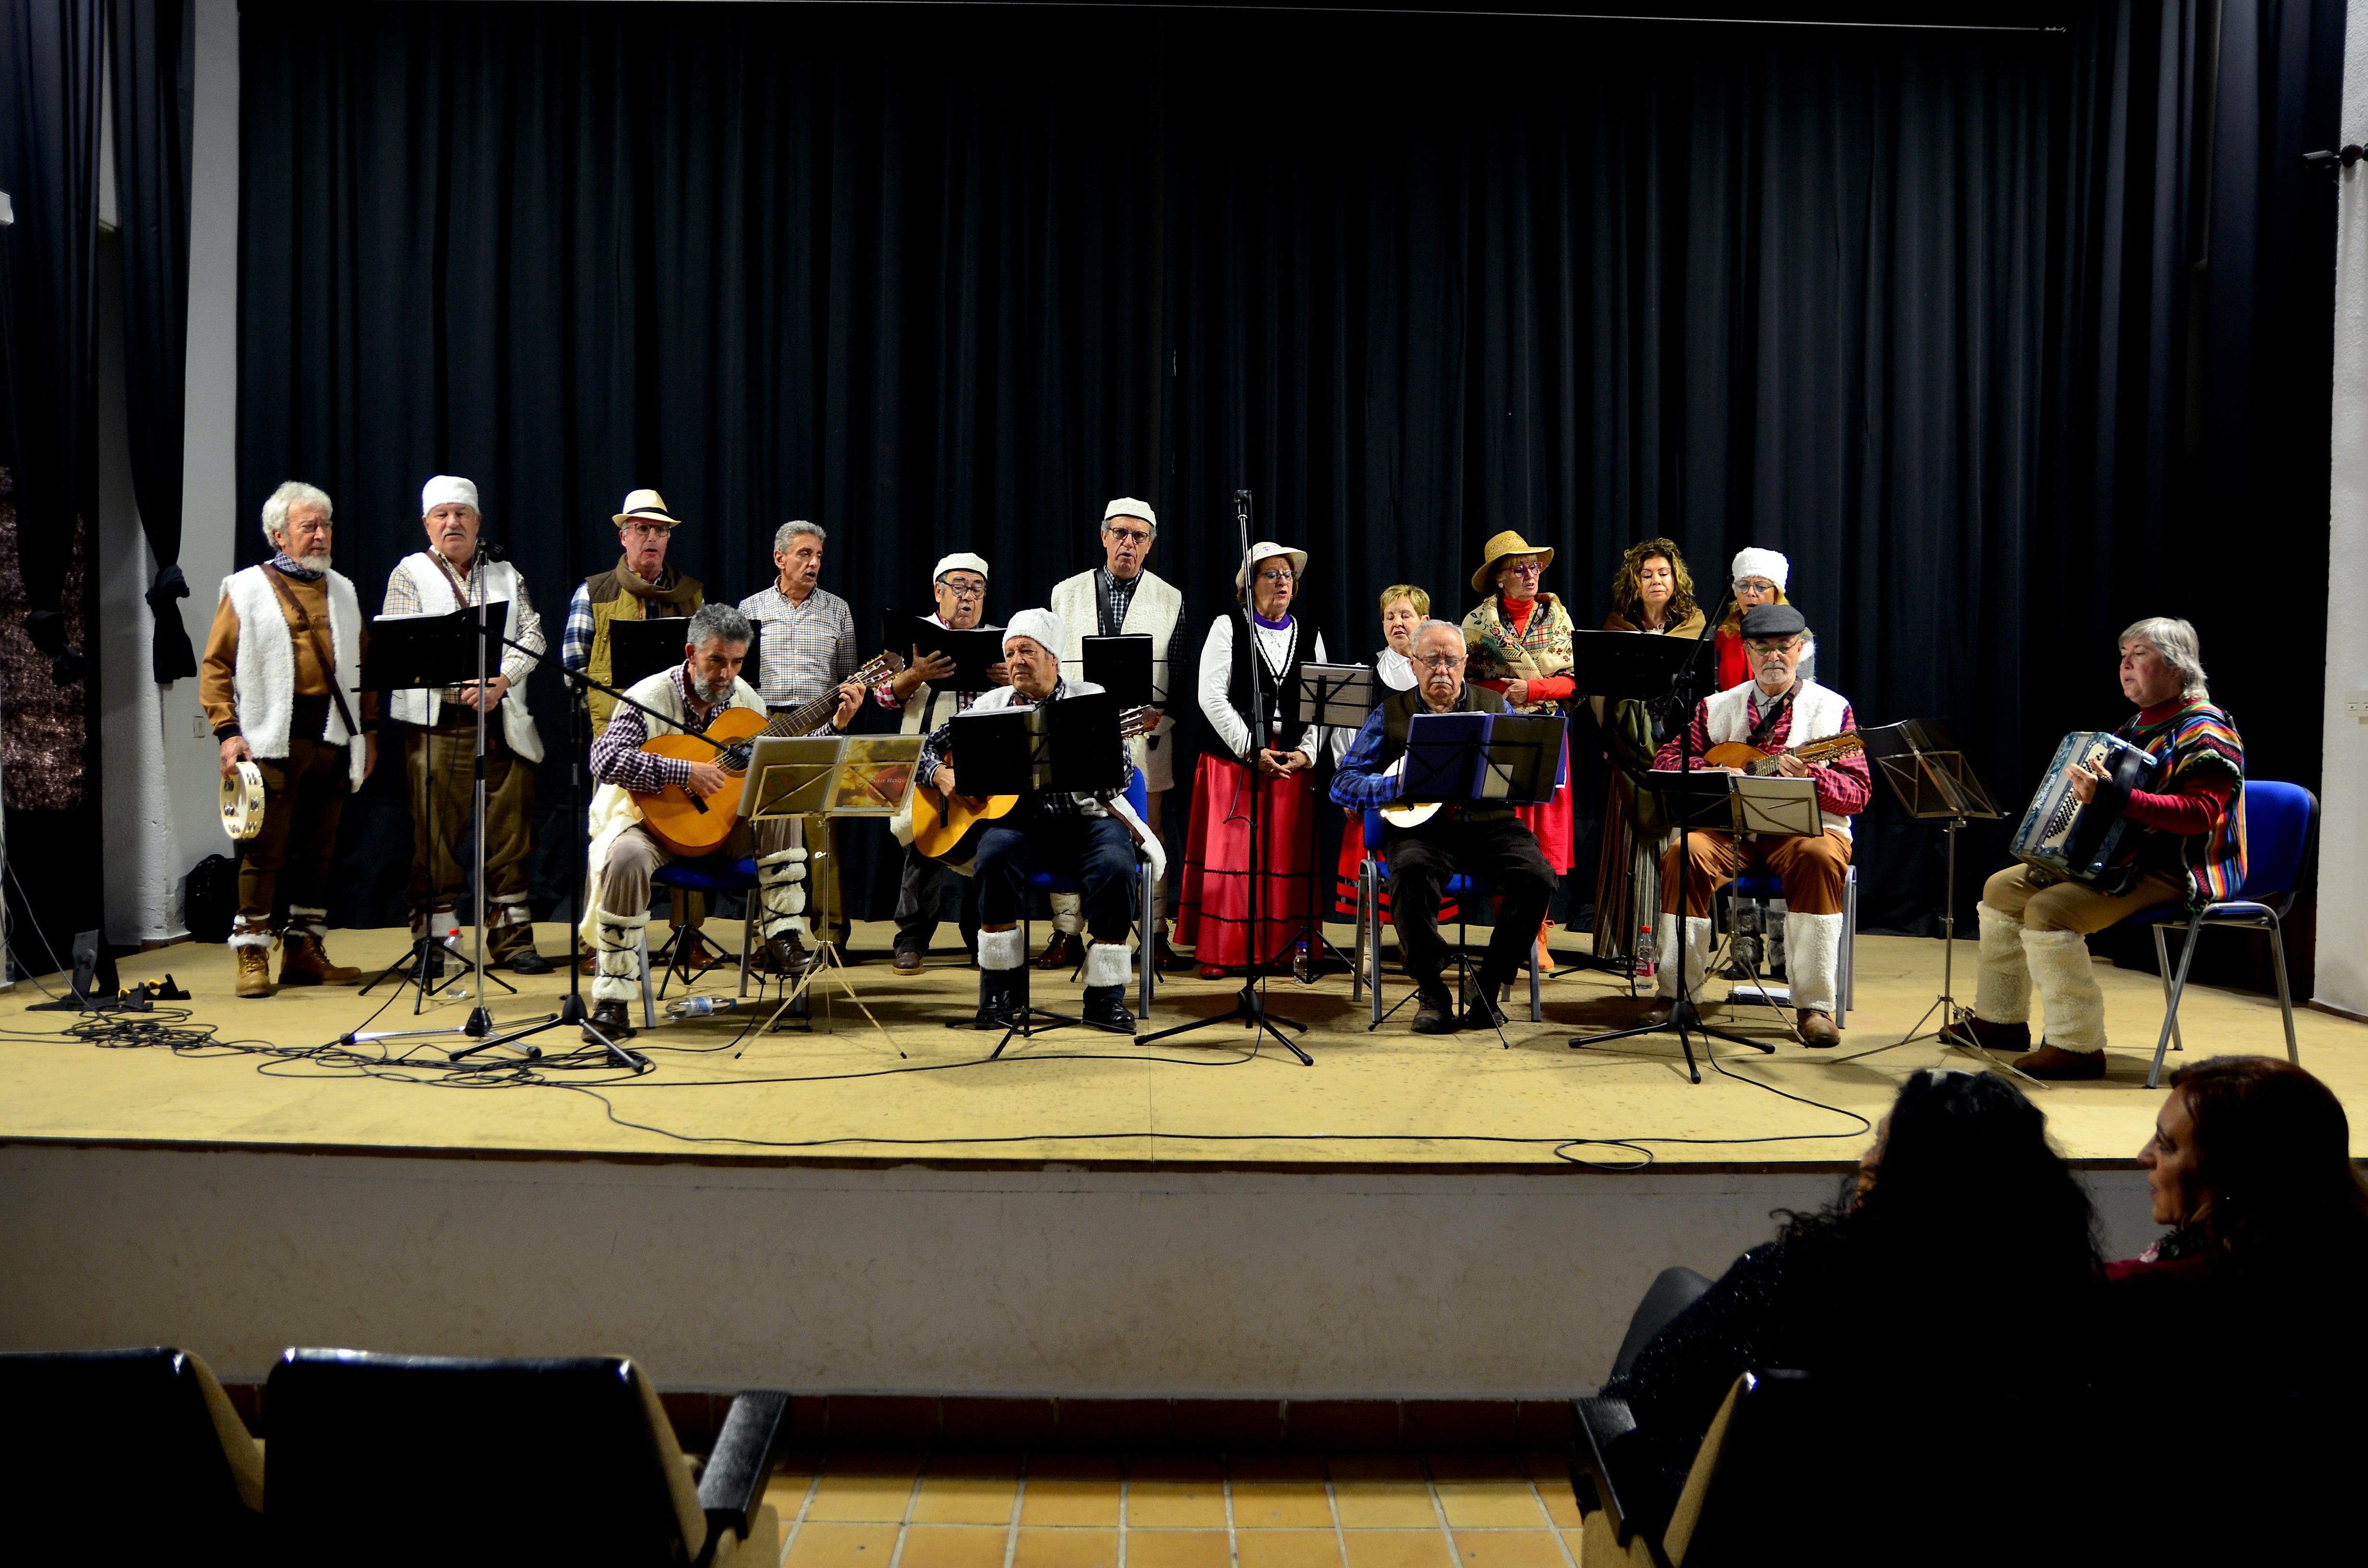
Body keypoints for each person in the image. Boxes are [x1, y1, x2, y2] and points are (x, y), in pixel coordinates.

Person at [1599, 1069, 2102, 1547]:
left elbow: (1652, 1393)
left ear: (1896, 1174)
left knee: (1649, 1349)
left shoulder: (1791, 1279)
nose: (1865, 1159)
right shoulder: (2066, 1315)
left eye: (1881, 1145)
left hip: (1758, 1533)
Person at [1941, 618, 2245, 1080]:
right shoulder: (2139, 724)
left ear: (2177, 665)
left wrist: (2114, 799)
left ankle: (2077, 1045)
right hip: (2125, 859)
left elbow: (2198, 815)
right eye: (2123, 655)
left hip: (2175, 871)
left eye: (2139, 654)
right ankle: (2000, 1020)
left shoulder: (2206, 733)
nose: (2125, 665)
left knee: (2049, 910)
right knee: (2001, 889)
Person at [578, 604, 863, 1039]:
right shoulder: (649, 696)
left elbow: (781, 762)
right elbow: (605, 760)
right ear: (691, 653)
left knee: (779, 801)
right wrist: (683, 772)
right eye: (716, 661)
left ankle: (783, 939)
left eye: (736, 662)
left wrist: (837, 725)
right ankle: (613, 998)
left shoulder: (746, 700)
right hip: (651, 826)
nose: (726, 674)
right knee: (624, 857)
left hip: (725, 830)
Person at [915, 610, 1160, 1035]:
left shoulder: (1090, 698)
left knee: (1118, 867)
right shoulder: (988, 706)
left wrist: (1094, 754)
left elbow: (1122, 778)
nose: (1016, 662)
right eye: (1010, 654)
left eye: (1027, 651)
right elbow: (924, 751)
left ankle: (1105, 996)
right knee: (993, 856)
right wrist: (942, 774)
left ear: (1054, 659)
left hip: (1085, 819)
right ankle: (1000, 990)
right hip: (1017, 823)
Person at [1648, 602, 1869, 1046]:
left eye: (1784, 647)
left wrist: (1811, 775)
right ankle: (1676, 992)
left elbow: (1858, 792)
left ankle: (1814, 1004)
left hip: (1805, 832)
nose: (1774, 657)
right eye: (1763, 647)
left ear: (1801, 649)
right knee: (1682, 852)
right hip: (1730, 833)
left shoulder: (1832, 710)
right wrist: (1716, 776)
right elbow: (1667, 761)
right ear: (1746, 650)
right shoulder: (1716, 707)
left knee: (1820, 855)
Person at [1330, 619, 1555, 1033]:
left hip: (1491, 826)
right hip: (1420, 830)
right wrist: (1396, 785)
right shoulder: (1391, 713)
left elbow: (1526, 774)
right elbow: (1343, 783)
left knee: (1538, 878)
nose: (1442, 670)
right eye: (1431, 660)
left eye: (1451, 661)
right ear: (1414, 665)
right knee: (1411, 872)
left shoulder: (1493, 706)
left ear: (1465, 663)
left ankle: (1486, 986)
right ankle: (1432, 988)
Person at [202, 481, 377, 997]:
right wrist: (227, 733)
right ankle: (252, 951)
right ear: (279, 535)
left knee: (320, 853)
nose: (321, 535)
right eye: (309, 527)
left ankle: (303, 951)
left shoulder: (342, 589)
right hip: (269, 740)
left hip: (334, 738)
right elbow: (215, 666)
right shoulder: (245, 588)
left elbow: (362, 667)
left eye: (325, 526)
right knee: (264, 851)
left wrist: (367, 734)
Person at [381, 475, 550, 972]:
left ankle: (512, 938)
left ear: (477, 522)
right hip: (439, 724)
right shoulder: (409, 574)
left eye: (461, 514)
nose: (452, 522)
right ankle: (438, 939)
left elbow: (533, 636)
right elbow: (400, 647)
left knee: (510, 832)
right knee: (434, 832)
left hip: (502, 720)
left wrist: (502, 681)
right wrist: (458, 690)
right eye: (442, 515)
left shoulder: (504, 571)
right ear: (427, 525)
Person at [1178, 540, 1331, 981]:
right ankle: (1225, 951)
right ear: (1248, 586)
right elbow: (1211, 696)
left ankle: (1288, 951)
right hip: (1235, 763)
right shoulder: (1228, 627)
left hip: (1292, 764)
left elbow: (1326, 703)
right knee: (1236, 858)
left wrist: (1307, 752)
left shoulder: (1310, 631)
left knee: (1286, 855)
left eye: (1288, 575)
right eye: (1272, 574)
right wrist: (1250, 749)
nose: (1283, 582)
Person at [1047, 499, 1187, 973]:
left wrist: (1160, 715)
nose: (1128, 543)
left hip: (1147, 736)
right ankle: (1066, 932)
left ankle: (1154, 933)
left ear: (1150, 546)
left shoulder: (1170, 598)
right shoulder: (1063, 594)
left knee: (1151, 828)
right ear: (1104, 536)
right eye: (1120, 533)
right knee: (1069, 827)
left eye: (1139, 537)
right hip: (1076, 733)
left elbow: (1182, 672)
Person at [735, 519, 870, 968]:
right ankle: (771, 937)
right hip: (764, 723)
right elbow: (738, 679)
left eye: (818, 557)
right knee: (768, 834)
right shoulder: (751, 608)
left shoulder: (838, 610)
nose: (813, 564)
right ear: (780, 559)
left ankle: (830, 936)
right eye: (804, 555)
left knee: (821, 834)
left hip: (821, 725)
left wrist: (842, 716)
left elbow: (849, 677)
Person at [878, 551, 1008, 974]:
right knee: (924, 841)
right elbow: (883, 697)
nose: (968, 597)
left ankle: (980, 936)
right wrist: (915, 674)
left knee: (984, 837)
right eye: (959, 587)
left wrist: (1011, 679)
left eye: (977, 589)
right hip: (926, 755)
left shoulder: (1002, 642)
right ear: (939, 591)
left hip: (985, 750)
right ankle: (912, 939)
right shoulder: (915, 636)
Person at [1590, 537, 1711, 971]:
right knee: (1629, 848)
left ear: (1676, 580)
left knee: (1674, 848)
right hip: (1627, 751)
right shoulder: (1618, 626)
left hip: (1677, 752)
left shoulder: (1695, 626)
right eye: (1647, 575)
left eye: (1663, 573)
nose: (1656, 581)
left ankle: (1671, 951)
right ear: (1635, 584)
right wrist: (1611, 741)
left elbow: (1705, 696)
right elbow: (1600, 691)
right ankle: (1622, 944)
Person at [1461, 529, 1576, 973]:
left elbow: (1572, 679)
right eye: (1519, 568)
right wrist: (1504, 693)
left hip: (1547, 729)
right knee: (1504, 827)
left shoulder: (1558, 619)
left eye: (1534, 566)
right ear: (1499, 579)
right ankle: (1508, 930)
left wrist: (1534, 688)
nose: (1530, 575)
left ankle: (1538, 934)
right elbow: (1466, 680)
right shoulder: (1476, 625)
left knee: (1544, 834)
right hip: (1498, 730)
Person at [1331, 584, 1450, 921]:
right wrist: (1351, 792)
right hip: (1375, 795)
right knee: (1369, 878)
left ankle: (1415, 940)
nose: (1397, 623)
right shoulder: (1364, 670)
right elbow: (1344, 734)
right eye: (1390, 616)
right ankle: (1371, 945)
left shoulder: (1440, 673)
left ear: (1424, 621)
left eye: (1405, 615)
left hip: (1426, 796)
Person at [559, 489, 703, 736]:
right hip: (616, 727)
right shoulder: (593, 592)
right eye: (642, 528)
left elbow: (704, 659)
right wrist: (602, 710)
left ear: (667, 539)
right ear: (623, 538)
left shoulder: (691, 594)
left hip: (679, 727)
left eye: (661, 530)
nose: (652, 537)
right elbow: (575, 664)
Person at [1710, 547, 1805, 692]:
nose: (1750, 593)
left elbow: (1801, 691)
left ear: (1776, 592)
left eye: (1760, 587)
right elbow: (1710, 690)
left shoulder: (1796, 634)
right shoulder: (1721, 634)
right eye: (1744, 586)